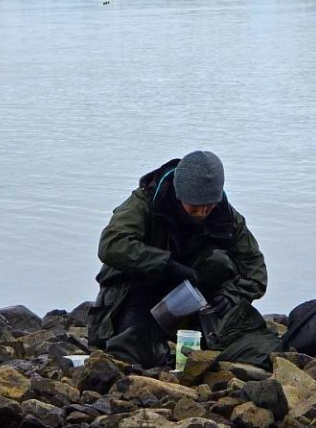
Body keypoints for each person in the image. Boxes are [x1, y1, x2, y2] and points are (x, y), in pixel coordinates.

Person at [87, 150, 268, 367]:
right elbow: (111, 245)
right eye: (195, 206)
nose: (202, 212)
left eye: (209, 205)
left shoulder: (226, 216)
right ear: (179, 194)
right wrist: (166, 265)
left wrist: (232, 295)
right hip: (141, 287)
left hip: (193, 296)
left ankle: (196, 327)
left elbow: (255, 269)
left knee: (220, 262)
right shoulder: (145, 202)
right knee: (136, 349)